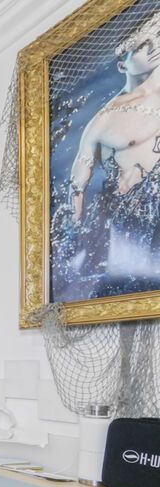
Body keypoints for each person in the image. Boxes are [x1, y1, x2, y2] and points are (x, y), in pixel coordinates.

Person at [67, 12, 160, 291]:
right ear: (123, 65)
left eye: (155, 40)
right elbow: (78, 185)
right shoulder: (104, 120)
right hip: (133, 222)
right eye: (141, 46)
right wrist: (82, 239)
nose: (153, 48)